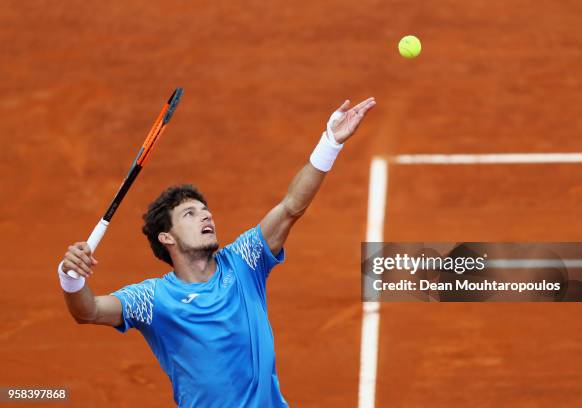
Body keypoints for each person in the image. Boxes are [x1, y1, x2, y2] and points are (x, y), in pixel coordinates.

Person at [57, 97, 376, 407]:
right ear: (167, 238)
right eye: (190, 214)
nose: (206, 216)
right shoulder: (152, 299)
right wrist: (71, 278)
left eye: (204, 210)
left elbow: (291, 207)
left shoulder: (244, 261)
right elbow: (89, 311)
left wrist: (330, 143)